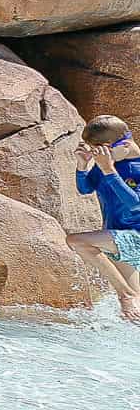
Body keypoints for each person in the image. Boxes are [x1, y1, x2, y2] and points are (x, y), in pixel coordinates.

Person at [69, 115, 140, 321]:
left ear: (111, 146)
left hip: (134, 236)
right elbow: (85, 188)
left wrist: (109, 169)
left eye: (94, 149)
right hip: (116, 237)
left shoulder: (132, 167)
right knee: (133, 315)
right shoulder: (105, 163)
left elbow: (135, 205)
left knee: (77, 241)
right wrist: (82, 166)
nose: (92, 153)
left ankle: (124, 294)